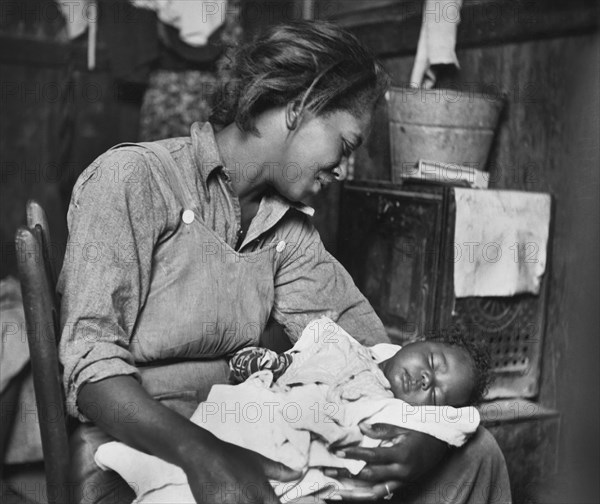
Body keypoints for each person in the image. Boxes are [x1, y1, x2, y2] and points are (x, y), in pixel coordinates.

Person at [58, 20, 511, 504]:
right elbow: (91, 370)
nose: (342, 169)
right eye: (346, 145)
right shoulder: (135, 178)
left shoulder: (286, 231)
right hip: (135, 447)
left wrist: (430, 432)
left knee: (477, 450)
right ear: (300, 109)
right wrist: (204, 455)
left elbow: (368, 349)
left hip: (251, 432)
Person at [93, 317, 488, 503]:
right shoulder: (343, 344)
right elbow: (297, 357)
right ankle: (147, 465)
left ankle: (158, 487)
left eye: (436, 395)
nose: (425, 382)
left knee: (483, 451)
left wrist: (433, 437)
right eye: (433, 365)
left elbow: (463, 421)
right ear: (417, 339)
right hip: (249, 410)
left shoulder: (393, 409)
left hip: (298, 447)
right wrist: (273, 364)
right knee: (233, 416)